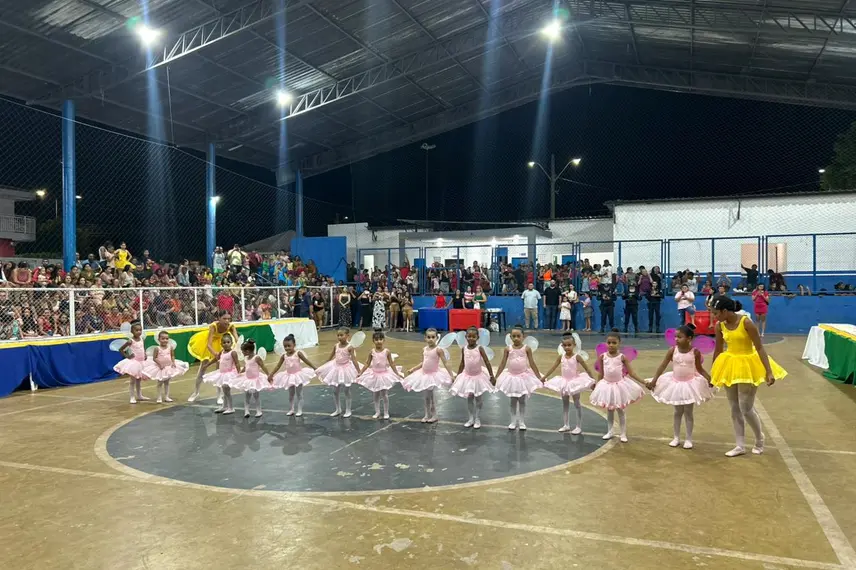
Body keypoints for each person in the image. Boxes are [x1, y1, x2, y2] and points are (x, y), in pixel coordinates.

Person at [710, 296, 787, 457]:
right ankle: (740, 445)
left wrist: (768, 371)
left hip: (748, 363)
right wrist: (714, 373)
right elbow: (718, 349)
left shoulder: (746, 322)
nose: (714, 317)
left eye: (716, 313)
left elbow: (759, 348)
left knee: (745, 406)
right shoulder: (719, 325)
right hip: (729, 363)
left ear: (725, 311)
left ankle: (759, 439)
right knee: (734, 406)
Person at [647, 325, 714, 449]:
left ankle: (689, 439)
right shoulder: (673, 350)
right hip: (675, 384)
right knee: (677, 411)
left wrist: (710, 379)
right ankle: (676, 437)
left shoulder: (695, 352)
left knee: (688, 412)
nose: (676, 339)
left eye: (680, 337)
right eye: (675, 337)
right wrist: (654, 380)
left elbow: (699, 369)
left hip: (690, 385)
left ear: (689, 338)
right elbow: (662, 366)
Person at [590, 330, 646, 442]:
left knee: (620, 410)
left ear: (619, 343)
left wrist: (643, 382)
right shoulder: (602, 357)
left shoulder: (622, 357)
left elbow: (632, 373)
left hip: (619, 386)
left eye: (614, 343)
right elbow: (601, 373)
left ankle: (623, 433)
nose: (611, 345)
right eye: (609, 342)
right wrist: (597, 385)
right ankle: (610, 431)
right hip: (606, 385)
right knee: (610, 410)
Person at [540, 332, 596, 433]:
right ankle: (566, 425)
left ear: (574, 345)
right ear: (562, 346)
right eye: (565, 345)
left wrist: (592, 381)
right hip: (564, 382)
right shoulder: (561, 357)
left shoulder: (577, 357)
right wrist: (544, 377)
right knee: (565, 404)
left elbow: (587, 369)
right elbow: (553, 367)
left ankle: (578, 426)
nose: (567, 347)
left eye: (569, 345)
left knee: (577, 403)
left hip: (575, 382)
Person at [401, 328, 455, 423]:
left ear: (437, 338)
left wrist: (451, 375)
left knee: (430, 396)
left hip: (433, 375)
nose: (430, 339)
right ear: (425, 338)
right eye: (428, 337)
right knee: (426, 397)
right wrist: (413, 369)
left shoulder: (438, 350)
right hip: (424, 375)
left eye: (433, 337)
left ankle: (434, 415)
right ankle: (427, 414)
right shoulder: (424, 349)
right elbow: (423, 362)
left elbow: (445, 363)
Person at [494, 325, 542, 430]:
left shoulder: (527, 348)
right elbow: (502, 363)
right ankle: (513, 421)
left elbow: (532, 363)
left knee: (522, 400)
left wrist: (539, 376)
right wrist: (496, 376)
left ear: (523, 337)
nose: (516, 338)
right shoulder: (508, 349)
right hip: (511, 377)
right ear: (510, 337)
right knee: (513, 400)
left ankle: (522, 421)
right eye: (514, 336)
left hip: (523, 377)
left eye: (518, 336)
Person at [187, 310, 238, 404]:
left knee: (220, 370)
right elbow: (208, 345)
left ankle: (219, 395)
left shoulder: (231, 326)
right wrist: (215, 354)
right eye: (224, 318)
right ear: (219, 318)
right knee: (203, 367)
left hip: (221, 343)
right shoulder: (213, 326)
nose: (227, 321)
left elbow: (237, 340)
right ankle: (196, 392)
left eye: (229, 319)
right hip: (208, 344)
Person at [451, 326, 495, 429]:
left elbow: (487, 362)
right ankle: (471, 418)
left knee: (478, 398)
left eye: (473, 337)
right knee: (470, 398)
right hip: (467, 377)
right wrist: (457, 376)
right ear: (466, 337)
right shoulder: (464, 349)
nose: (471, 338)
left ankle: (477, 418)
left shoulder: (479, 348)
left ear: (477, 337)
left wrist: (492, 375)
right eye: (469, 336)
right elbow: (462, 363)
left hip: (478, 377)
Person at [356, 330, 402, 419]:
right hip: (374, 375)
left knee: (384, 394)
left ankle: (386, 412)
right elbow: (367, 363)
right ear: (373, 341)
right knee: (375, 394)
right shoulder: (372, 352)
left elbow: (391, 363)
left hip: (384, 375)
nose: (379, 341)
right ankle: (377, 411)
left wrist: (397, 373)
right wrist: (361, 372)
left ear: (383, 340)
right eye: (376, 340)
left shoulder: (387, 351)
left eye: (380, 339)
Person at [315, 328, 361, 417]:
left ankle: (348, 410)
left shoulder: (350, 347)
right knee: (335, 391)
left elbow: (354, 359)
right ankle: (338, 409)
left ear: (347, 336)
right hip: (336, 368)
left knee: (346, 390)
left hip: (346, 369)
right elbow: (330, 357)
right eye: (338, 335)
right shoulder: (336, 346)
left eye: (341, 335)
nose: (339, 337)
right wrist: (322, 367)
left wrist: (359, 371)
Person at [270, 334, 318, 417]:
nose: (287, 348)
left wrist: (314, 368)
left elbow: (306, 361)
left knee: (299, 393)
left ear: (294, 345)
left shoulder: (298, 353)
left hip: (298, 376)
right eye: (285, 346)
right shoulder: (284, 356)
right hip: (289, 376)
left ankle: (299, 410)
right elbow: (278, 366)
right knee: (291, 394)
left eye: (289, 346)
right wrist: (271, 374)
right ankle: (291, 409)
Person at [141, 330, 189, 404]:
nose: (165, 340)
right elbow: (154, 358)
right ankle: (159, 396)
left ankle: (167, 396)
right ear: (159, 339)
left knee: (167, 382)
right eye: (163, 338)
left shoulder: (170, 347)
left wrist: (173, 362)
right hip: (160, 368)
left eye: (167, 339)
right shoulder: (157, 348)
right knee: (160, 382)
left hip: (168, 367)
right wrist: (160, 364)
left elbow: (172, 355)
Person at [232, 339, 273, 418]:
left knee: (256, 396)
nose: (242, 353)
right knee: (247, 396)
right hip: (247, 379)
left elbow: (263, 366)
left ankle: (258, 410)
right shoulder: (246, 358)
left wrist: (268, 375)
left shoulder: (256, 358)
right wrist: (241, 372)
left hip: (255, 380)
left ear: (247, 351)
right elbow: (245, 366)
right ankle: (246, 411)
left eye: (243, 351)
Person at [201, 332, 240, 415]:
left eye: (228, 342)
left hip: (229, 374)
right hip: (222, 374)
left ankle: (231, 407)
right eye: (224, 342)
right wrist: (207, 365)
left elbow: (237, 363)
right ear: (221, 344)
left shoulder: (233, 353)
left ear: (231, 343)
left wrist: (239, 372)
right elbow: (216, 359)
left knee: (227, 391)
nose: (226, 344)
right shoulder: (222, 352)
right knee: (224, 390)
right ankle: (225, 406)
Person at [114, 322, 148, 404]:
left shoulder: (142, 339)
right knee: (132, 380)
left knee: (139, 379)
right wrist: (127, 356)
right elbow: (121, 349)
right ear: (132, 331)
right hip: (134, 362)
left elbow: (143, 348)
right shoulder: (130, 341)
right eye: (137, 330)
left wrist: (145, 354)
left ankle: (139, 395)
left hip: (141, 362)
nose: (139, 332)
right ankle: (132, 397)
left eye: (140, 330)